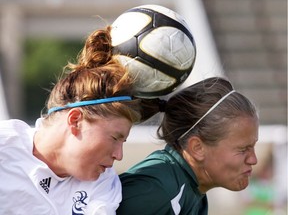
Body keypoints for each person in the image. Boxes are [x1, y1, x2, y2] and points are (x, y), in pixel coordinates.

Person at [0, 26, 142, 215]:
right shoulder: (4, 146)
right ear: (75, 120)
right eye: (115, 138)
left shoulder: (104, 184)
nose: (119, 155)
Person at [116, 77, 259, 215]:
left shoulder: (193, 192)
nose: (253, 159)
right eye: (243, 149)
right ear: (197, 148)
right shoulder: (157, 190)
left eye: (253, 146)